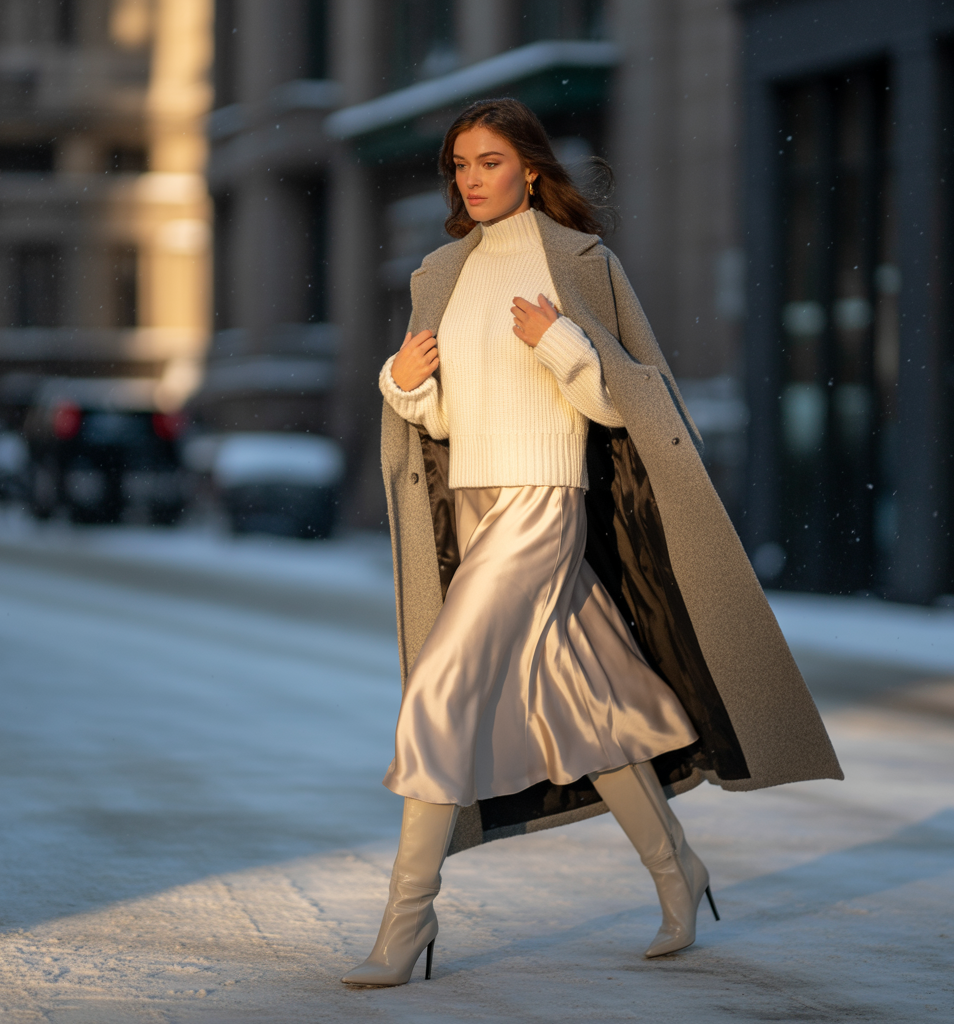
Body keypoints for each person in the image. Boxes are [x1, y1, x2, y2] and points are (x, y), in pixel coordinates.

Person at [342, 98, 842, 988]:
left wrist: (564, 342)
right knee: (588, 708)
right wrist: (402, 383)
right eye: (459, 165)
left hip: (545, 499)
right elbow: (447, 416)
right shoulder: (441, 273)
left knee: (443, 687)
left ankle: (406, 923)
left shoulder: (579, 261)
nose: (471, 179)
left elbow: (622, 402)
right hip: (472, 499)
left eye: (488, 162)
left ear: (531, 167)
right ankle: (676, 868)